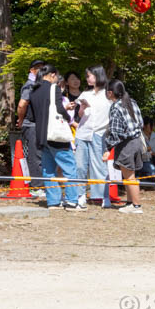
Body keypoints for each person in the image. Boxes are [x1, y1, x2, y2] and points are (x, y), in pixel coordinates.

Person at [26, 65, 84, 211]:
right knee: (69, 167)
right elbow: (59, 109)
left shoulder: (33, 91)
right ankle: (72, 201)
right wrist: (67, 115)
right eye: (57, 76)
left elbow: (31, 116)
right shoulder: (54, 88)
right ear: (52, 75)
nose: (58, 79)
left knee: (48, 169)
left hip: (41, 135)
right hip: (56, 135)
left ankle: (53, 201)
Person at [103, 80, 145, 214]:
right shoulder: (132, 102)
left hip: (126, 144)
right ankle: (130, 202)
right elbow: (141, 123)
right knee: (129, 175)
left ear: (110, 93)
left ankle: (136, 206)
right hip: (137, 141)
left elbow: (115, 131)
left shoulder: (116, 107)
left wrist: (108, 148)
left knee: (130, 176)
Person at [74, 65, 112, 208]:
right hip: (83, 133)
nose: (87, 78)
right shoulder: (85, 94)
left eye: (89, 75)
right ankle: (81, 195)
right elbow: (79, 115)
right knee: (80, 166)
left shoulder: (108, 95)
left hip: (100, 133)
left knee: (100, 166)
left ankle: (103, 196)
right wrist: (82, 108)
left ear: (97, 76)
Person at [15, 58, 47, 196]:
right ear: (31, 70)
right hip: (31, 124)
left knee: (42, 155)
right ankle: (36, 187)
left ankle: (42, 185)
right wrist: (21, 120)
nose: (40, 70)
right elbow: (22, 104)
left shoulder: (41, 85)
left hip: (40, 124)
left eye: (42, 67)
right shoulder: (30, 85)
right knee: (35, 155)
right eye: (37, 67)